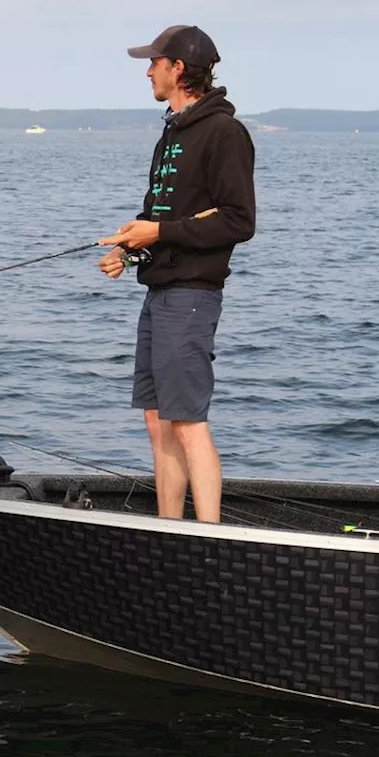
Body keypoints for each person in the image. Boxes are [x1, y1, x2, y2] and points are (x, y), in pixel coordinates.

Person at [98, 25, 256, 523]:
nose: (148, 71)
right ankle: (169, 527)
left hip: (192, 296)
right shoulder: (172, 130)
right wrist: (131, 251)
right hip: (161, 291)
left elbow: (238, 220)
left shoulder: (224, 133)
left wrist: (158, 233)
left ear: (178, 68)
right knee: (157, 419)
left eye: (154, 62)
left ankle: (207, 534)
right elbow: (165, 219)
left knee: (187, 421)